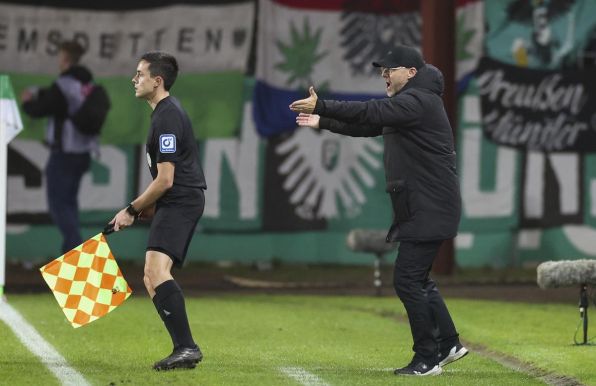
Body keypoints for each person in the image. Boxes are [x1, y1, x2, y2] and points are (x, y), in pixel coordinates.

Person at [289, 45, 468, 376]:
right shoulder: (413, 104)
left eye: (391, 68)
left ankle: (426, 359)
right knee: (418, 280)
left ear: (411, 73)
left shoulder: (417, 102)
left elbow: (371, 113)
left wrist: (324, 104)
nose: (384, 74)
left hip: (428, 207)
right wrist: (323, 120)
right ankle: (450, 344)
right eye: (381, 70)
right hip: (428, 206)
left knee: (407, 281)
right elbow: (370, 125)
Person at [109, 51, 207, 371]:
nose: (134, 80)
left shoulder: (167, 115)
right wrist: (148, 209)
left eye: (140, 74)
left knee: (155, 272)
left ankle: (187, 347)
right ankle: (184, 349)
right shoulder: (163, 113)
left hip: (180, 199)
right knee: (152, 277)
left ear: (157, 80)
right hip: (177, 200)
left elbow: (166, 180)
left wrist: (132, 210)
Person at [21, 40, 103, 254]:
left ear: (65, 58)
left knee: (59, 207)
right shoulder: (86, 84)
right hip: (82, 153)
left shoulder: (63, 84)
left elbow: (41, 109)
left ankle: (79, 260)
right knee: (69, 207)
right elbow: (58, 100)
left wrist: (27, 102)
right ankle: (74, 264)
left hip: (64, 154)